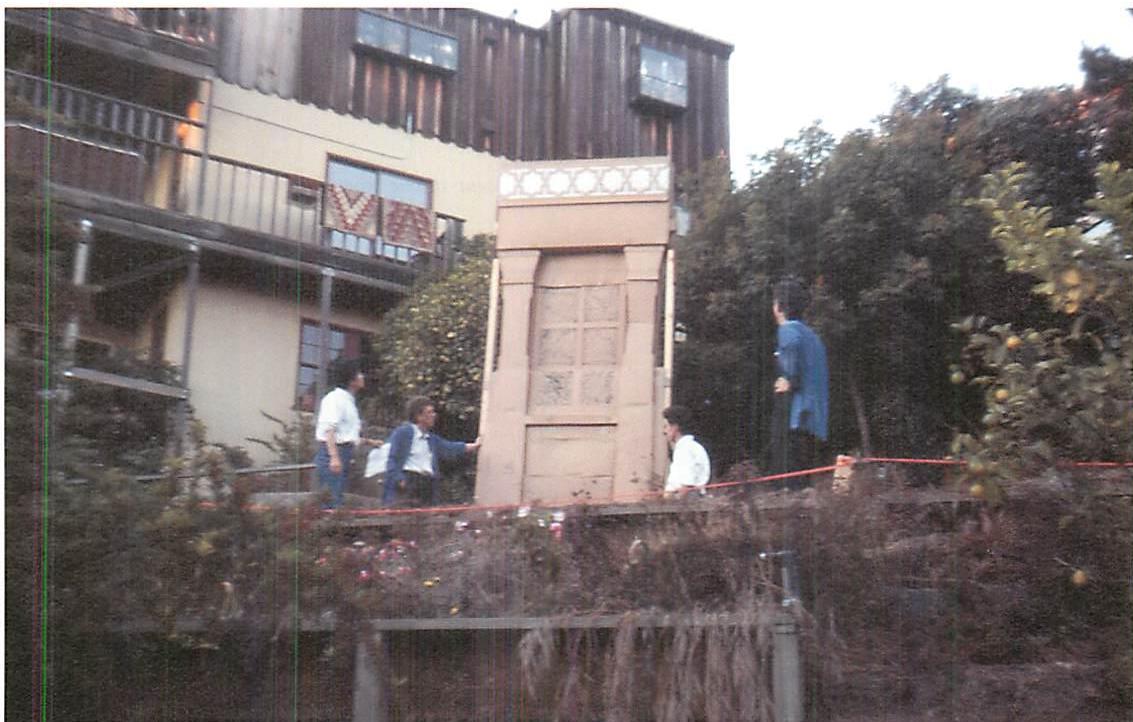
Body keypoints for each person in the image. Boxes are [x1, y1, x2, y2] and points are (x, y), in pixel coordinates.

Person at [769, 279, 829, 482]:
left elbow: (790, 360)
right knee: (805, 478)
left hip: (797, 414)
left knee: (788, 476)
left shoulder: (788, 329)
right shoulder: (813, 336)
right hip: (816, 417)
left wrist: (789, 379)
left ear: (779, 306)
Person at [383, 396, 481, 507]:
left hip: (427, 483)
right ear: (418, 416)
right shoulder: (404, 433)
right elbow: (393, 458)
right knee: (407, 517)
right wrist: (400, 480)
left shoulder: (431, 439)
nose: (434, 415)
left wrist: (474, 446)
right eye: (429, 412)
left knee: (427, 516)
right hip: (410, 480)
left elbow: (449, 447)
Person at [313, 358, 383, 509]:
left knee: (338, 500)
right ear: (351, 379)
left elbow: (346, 434)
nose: (362, 376)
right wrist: (334, 457)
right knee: (332, 502)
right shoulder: (335, 399)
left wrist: (370, 442)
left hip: (344, 453)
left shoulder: (348, 401)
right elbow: (329, 430)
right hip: (332, 454)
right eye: (359, 374)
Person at [662, 405, 711, 496]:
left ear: (675, 427)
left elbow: (686, 486)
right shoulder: (691, 447)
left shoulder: (684, 449)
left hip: (685, 503)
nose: (664, 431)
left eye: (666, 426)